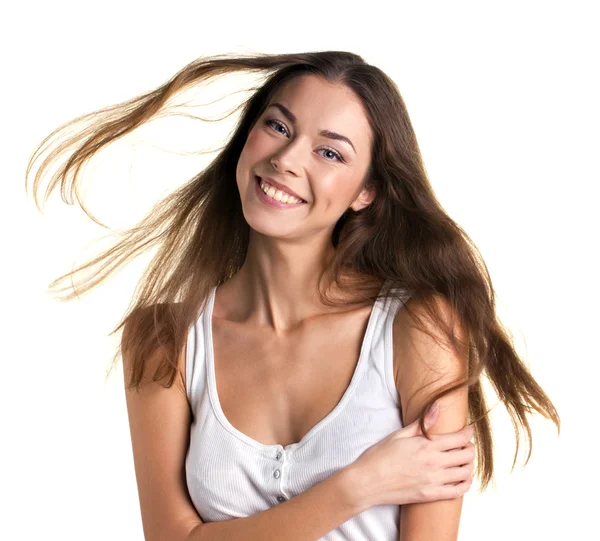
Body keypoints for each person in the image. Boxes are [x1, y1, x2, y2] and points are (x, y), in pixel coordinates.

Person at [26, 50, 560, 541]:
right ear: (247, 137)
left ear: (365, 192)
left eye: (329, 151)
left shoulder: (419, 329)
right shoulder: (163, 339)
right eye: (278, 125)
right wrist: (359, 486)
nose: (286, 158)